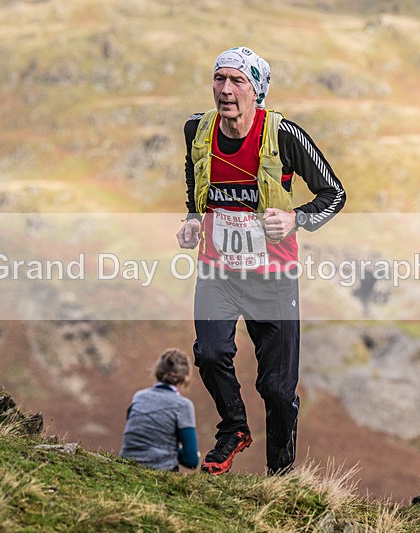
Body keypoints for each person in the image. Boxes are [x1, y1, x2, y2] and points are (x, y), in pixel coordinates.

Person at [176, 46, 346, 475]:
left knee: (276, 389)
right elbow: (195, 180)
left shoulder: (284, 135)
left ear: (258, 91)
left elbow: (335, 194)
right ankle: (234, 427)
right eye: (220, 79)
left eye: (238, 82)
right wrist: (195, 219)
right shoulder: (197, 130)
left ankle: (281, 477)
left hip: (273, 278)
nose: (226, 90)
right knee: (210, 353)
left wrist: (296, 218)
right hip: (218, 270)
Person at [120, 348, 199, 471]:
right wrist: (173, 450)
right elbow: (191, 461)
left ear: (157, 371)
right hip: (161, 469)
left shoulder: (139, 396)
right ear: (185, 378)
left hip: (125, 465)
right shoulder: (183, 406)